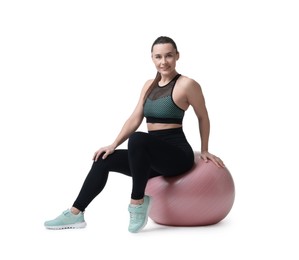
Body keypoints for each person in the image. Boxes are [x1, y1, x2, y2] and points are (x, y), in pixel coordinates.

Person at [44, 36, 225, 233]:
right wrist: (113, 145)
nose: (163, 62)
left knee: (138, 139)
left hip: (177, 157)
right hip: (149, 156)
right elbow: (135, 118)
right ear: (152, 58)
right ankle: (76, 213)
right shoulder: (148, 85)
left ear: (177, 56)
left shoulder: (187, 84)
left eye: (169, 56)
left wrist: (205, 149)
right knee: (104, 160)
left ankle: (137, 202)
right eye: (158, 57)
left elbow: (203, 117)